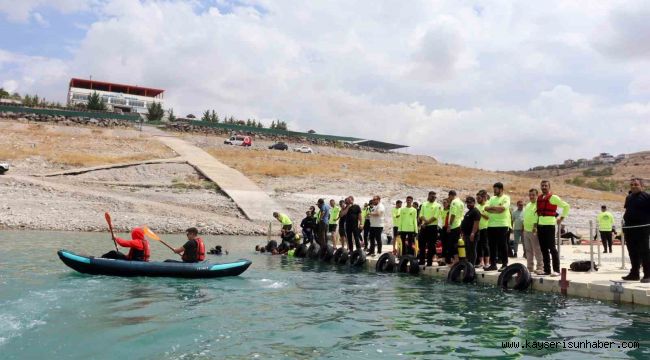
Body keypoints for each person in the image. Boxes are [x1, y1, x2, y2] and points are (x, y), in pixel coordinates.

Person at [536, 180, 570, 277]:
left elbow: (566, 206)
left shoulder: (554, 197)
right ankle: (546, 270)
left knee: (552, 248)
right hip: (540, 226)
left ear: (549, 187)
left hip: (550, 226)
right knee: (543, 249)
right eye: (542, 185)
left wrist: (561, 218)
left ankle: (556, 270)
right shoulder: (539, 198)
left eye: (545, 186)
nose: (544, 187)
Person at [622, 178, 650, 282]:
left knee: (645, 252)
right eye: (632, 184)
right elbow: (628, 210)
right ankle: (634, 274)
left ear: (642, 186)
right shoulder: (628, 197)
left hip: (642, 228)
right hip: (629, 229)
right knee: (632, 252)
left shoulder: (647, 197)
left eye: (636, 184)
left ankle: (648, 274)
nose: (633, 186)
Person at [485, 182, 511, 271]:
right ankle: (493, 264)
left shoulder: (506, 198)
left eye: (495, 189)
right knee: (492, 246)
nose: (494, 191)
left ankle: (504, 264)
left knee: (502, 245)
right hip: (491, 225)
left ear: (501, 189)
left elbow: (503, 209)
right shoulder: (492, 198)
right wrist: (497, 208)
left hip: (502, 225)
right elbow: (486, 208)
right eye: (494, 189)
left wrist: (493, 208)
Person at [523, 189, 544, 274]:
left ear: (537, 195)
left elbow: (537, 217)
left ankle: (540, 267)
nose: (531, 196)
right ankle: (529, 267)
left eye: (533, 195)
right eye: (530, 195)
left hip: (534, 230)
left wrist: (535, 227)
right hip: (526, 230)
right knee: (528, 250)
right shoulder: (528, 205)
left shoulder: (538, 204)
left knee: (537, 249)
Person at [419, 191, 441, 266]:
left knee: (431, 245)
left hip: (432, 227)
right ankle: (421, 261)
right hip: (424, 227)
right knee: (422, 244)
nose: (433, 198)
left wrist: (426, 223)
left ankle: (429, 262)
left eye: (435, 197)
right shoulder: (424, 204)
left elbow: (435, 217)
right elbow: (421, 215)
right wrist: (425, 223)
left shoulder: (437, 205)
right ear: (429, 196)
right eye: (432, 196)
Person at [461, 196, 481, 265]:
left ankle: (472, 265)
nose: (468, 204)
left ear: (474, 203)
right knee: (467, 250)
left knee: (472, 250)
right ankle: (468, 264)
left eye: (470, 203)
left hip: (472, 235)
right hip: (466, 235)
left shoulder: (476, 211)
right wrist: (463, 233)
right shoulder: (468, 212)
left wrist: (473, 233)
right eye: (467, 203)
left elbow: (476, 223)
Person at [446, 190, 464, 265]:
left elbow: (453, 214)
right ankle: (457, 259)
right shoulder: (461, 202)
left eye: (449, 197)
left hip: (454, 225)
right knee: (456, 243)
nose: (448, 198)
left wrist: (449, 225)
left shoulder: (454, 202)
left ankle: (456, 260)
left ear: (451, 195)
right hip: (459, 224)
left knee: (453, 244)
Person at [475, 190, 490, 268]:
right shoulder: (477, 207)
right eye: (477, 198)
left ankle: (487, 262)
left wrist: (480, 213)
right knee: (479, 246)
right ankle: (481, 262)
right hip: (478, 228)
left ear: (483, 198)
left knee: (485, 245)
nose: (477, 200)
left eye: (479, 198)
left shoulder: (487, 206)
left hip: (485, 228)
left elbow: (488, 217)